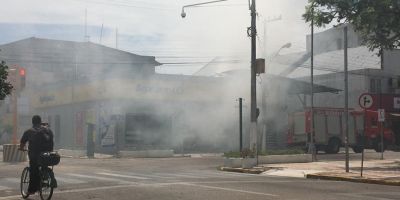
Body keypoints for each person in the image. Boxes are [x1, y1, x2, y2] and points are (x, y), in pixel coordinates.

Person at [19, 115, 54, 195]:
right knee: (43, 165)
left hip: (35, 155)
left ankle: (31, 190)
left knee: (33, 171)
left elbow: (22, 143)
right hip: (48, 154)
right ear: (40, 121)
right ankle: (43, 179)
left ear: (32, 122)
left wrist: (21, 148)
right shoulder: (48, 130)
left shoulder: (29, 131)